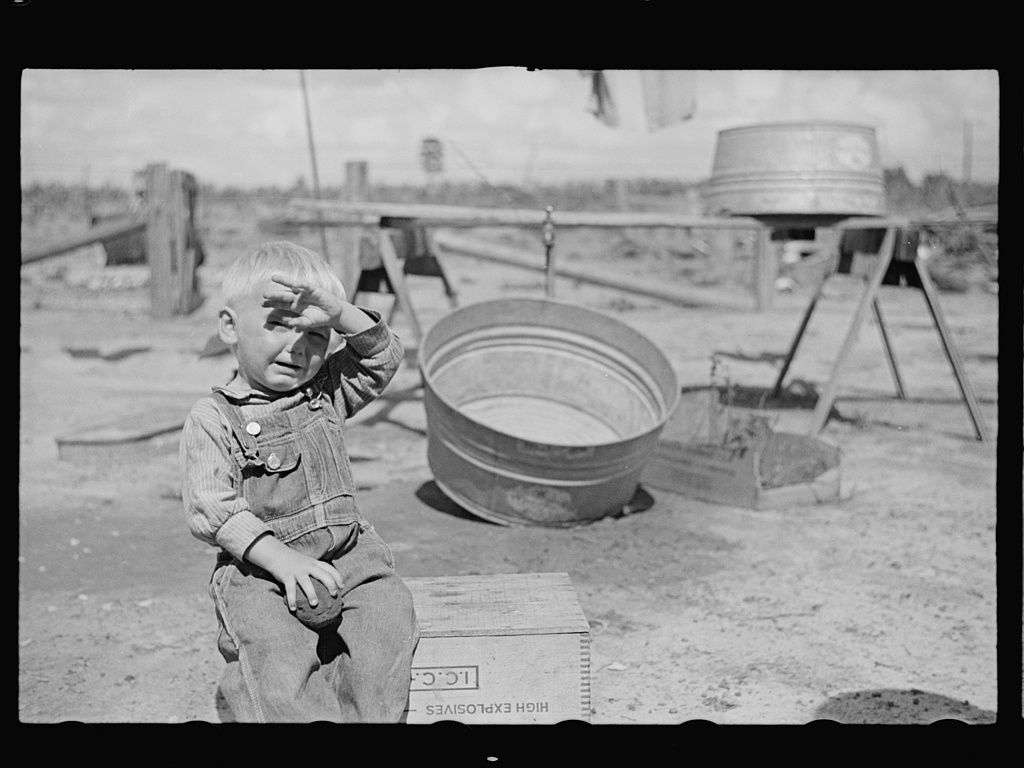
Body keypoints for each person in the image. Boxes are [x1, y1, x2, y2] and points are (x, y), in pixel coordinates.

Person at [179, 241, 419, 722]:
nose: (297, 345)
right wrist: (281, 560)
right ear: (229, 326)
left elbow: (382, 358)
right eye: (279, 325)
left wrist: (342, 313)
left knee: (387, 628)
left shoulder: (326, 392)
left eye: (314, 332)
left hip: (348, 555)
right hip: (261, 569)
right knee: (276, 659)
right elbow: (212, 507)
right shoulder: (214, 418)